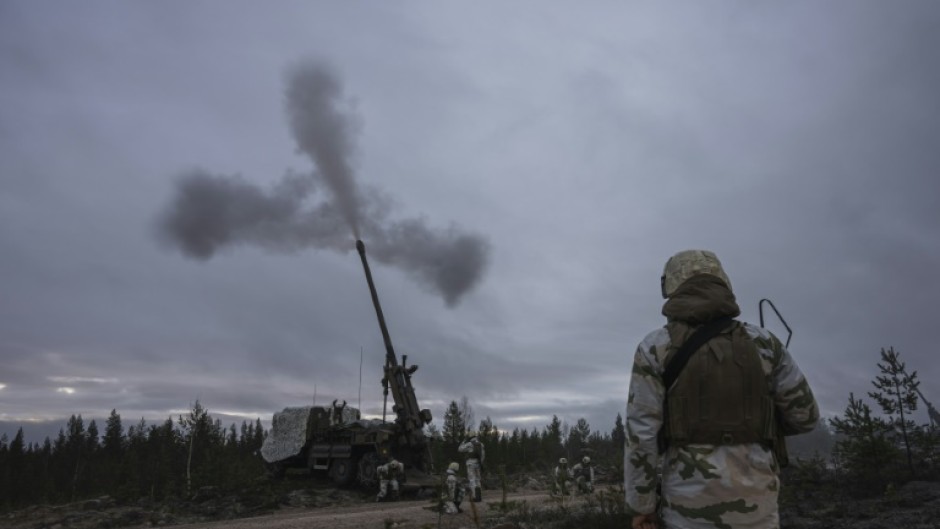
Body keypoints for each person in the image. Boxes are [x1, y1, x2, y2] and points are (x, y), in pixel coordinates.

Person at [625, 249, 819, 529]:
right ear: (723, 282)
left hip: (687, 508)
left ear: (671, 287)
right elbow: (806, 417)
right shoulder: (764, 342)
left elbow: (641, 433)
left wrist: (641, 506)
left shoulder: (655, 347)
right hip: (758, 504)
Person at [458, 432, 485, 502]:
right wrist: (481, 463)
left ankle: (475, 497)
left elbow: (460, 449)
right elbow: (483, 455)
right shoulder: (481, 444)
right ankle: (479, 496)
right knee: (478, 480)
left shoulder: (469, 444)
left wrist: (463, 441)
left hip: (470, 463)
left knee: (472, 480)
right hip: (478, 464)